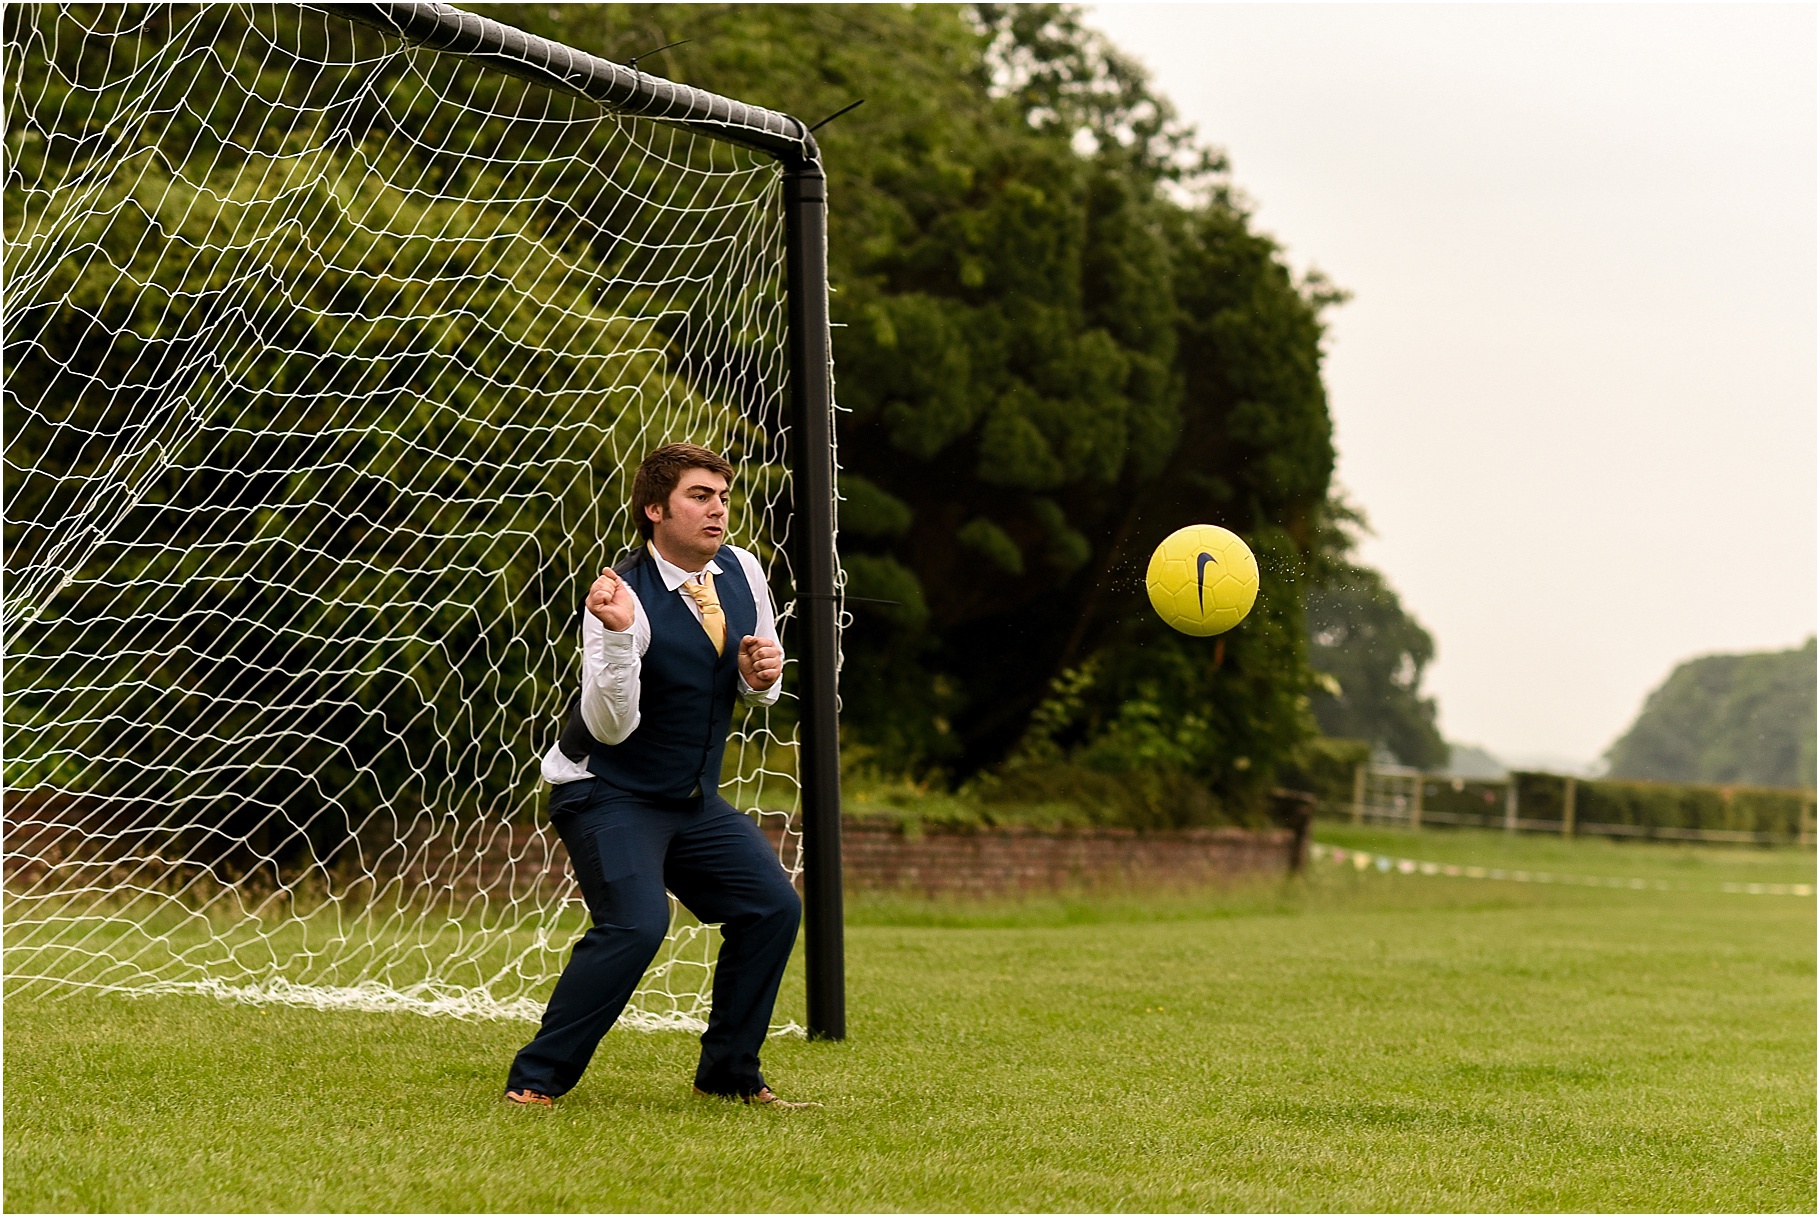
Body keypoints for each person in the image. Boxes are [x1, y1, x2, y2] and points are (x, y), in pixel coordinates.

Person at [504, 443, 810, 1108]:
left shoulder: (743, 570)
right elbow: (611, 725)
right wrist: (616, 637)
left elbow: (754, 678)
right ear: (654, 508)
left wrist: (763, 675)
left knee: (773, 906)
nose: (718, 509)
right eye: (700, 496)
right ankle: (536, 1080)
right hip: (605, 788)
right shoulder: (619, 596)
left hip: (690, 797)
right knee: (638, 925)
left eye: (723, 497)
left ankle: (728, 1077)